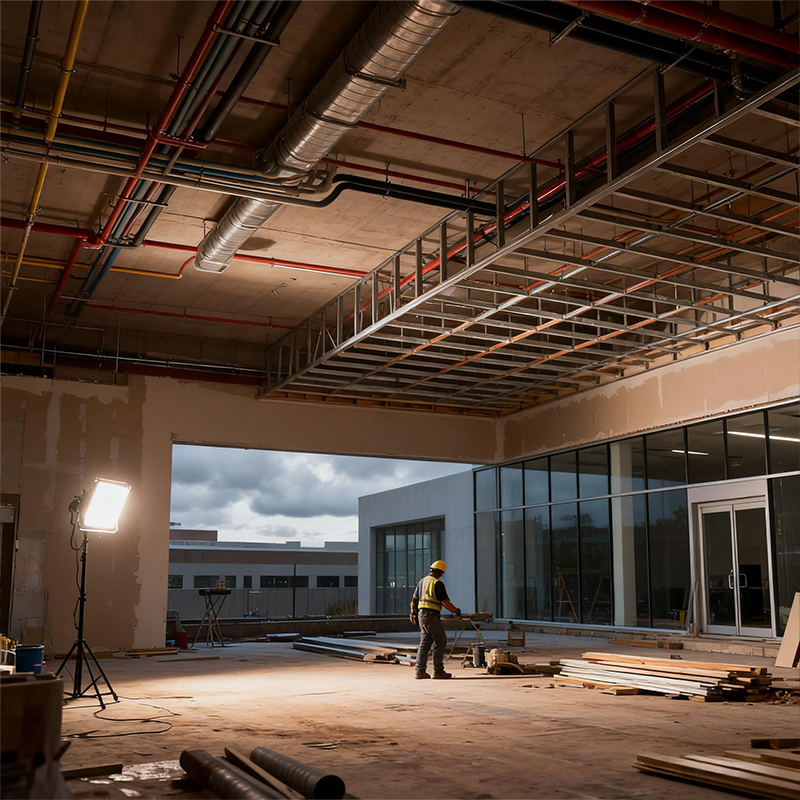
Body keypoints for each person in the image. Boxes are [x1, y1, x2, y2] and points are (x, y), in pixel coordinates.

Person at [409, 560, 461, 679]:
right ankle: (438, 670)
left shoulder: (422, 582)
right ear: (440, 573)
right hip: (431, 615)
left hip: (422, 615)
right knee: (440, 640)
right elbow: (445, 603)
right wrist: (456, 611)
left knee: (426, 641)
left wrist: (413, 613)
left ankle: (419, 670)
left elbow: (414, 599)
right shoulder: (437, 584)